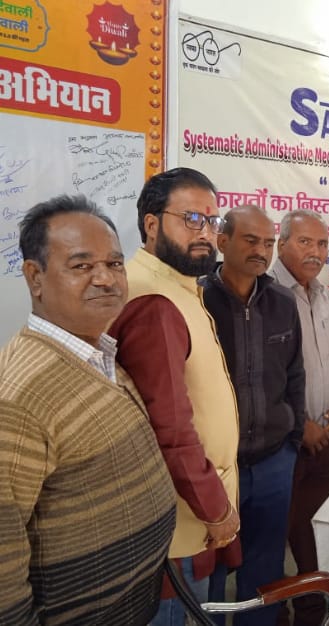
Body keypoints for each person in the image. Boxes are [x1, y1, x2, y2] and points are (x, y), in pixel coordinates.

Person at [0, 195, 175, 624]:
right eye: (81, 266)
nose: (105, 279)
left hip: (134, 604)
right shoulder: (18, 397)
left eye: (115, 264)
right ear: (35, 277)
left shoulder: (98, 352)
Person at [109, 168, 240, 626]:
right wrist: (215, 509)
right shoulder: (155, 302)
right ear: (151, 224)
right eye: (191, 219)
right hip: (178, 522)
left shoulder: (176, 288)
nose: (205, 233)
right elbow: (168, 428)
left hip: (189, 508)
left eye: (211, 220)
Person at [201, 205, 305, 626]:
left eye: (268, 242)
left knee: (264, 570)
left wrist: (292, 442)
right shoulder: (197, 300)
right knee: (209, 570)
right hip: (214, 468)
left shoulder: (282, 301)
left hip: (273, 461)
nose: (261, 251)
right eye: (250, 240)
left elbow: (295, 375)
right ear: (222, 241)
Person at [269, 210, 329, 626]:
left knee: (314, 531)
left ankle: (313, 612)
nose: (315, 252)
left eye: (321, 244)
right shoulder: (265, 293)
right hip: (283, 441)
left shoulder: (324, 294)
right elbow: (265, 376)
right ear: (281, 243)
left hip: (326, 436)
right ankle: (272, 614)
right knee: (273, 534)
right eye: (305, 242)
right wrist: (303, 425)